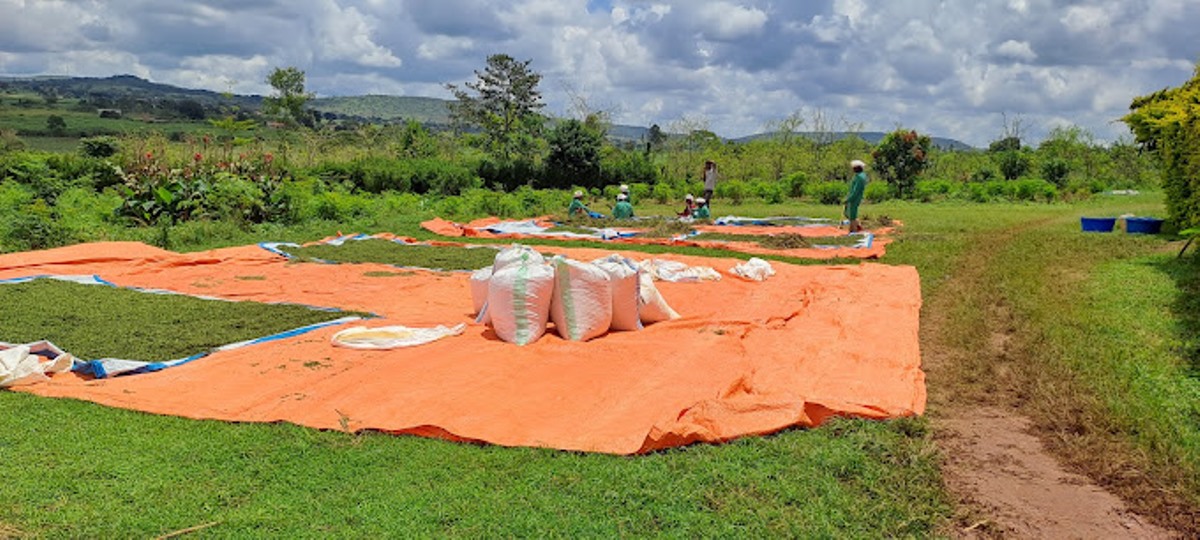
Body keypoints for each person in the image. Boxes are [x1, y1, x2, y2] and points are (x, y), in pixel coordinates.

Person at [845, 160, 868, 233]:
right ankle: (858, 226)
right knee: (850, 214)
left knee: (852, 215)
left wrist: (849, 198)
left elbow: (856, 190)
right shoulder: (861, 175)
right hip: (856, 197)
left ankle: (853, 230)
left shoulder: (859, 177)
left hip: (855, 198)